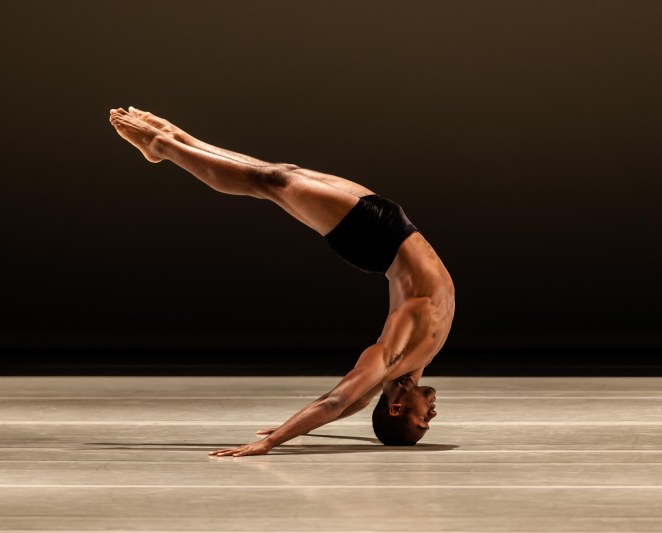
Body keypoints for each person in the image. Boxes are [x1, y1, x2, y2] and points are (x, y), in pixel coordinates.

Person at [108, 107, 456, 457]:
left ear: (396, 409)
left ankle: (163, 146)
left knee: (271, 182)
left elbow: (337, 401)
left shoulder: (392, 359)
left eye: (422, 422)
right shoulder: (407, 370)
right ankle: (178, 139)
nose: (432, 416)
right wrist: (296, 427)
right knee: (281, 174)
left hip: (378, 240)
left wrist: (271, 441)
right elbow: (354, 403)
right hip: (391, 231)